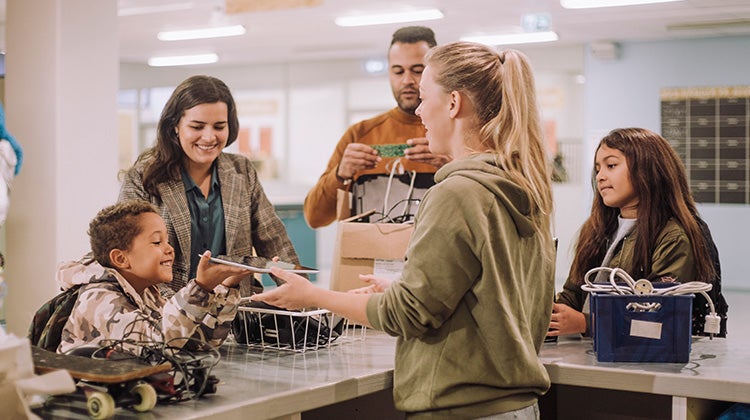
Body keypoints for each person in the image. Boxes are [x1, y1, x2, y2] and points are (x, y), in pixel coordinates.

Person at [253, 42, 556, 419]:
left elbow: (408, 314)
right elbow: (492, 296)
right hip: (515, 406)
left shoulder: (457, 193)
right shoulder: (524, 187)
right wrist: (403, 288)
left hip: (464, 409)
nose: (419, 109)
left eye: (425, 96)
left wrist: (313, 295)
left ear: (453, 103)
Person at [119, 75, 301, 296]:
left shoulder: (241, 171)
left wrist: (304, 296)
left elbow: (274, 241)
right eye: (197, 126)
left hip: (235, 315)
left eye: (219, 126)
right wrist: (181, 311)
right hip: (167, 315)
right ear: (175, 126)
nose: (209, 137)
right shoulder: (143, 177)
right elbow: (132, 259)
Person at [548, 127, 727, 338]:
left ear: (647, 170)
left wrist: (586, 323)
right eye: (597, 169)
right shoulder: (597, 230)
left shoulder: (673, 237)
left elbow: (657, 322)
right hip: (596, 357)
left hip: (647, 364)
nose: (600, 177)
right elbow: (574, 294)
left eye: (611, 165)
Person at [57, 200, 252, 355]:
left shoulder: (146, 292)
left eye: (167, 240)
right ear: (120, 258)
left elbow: (198, 342)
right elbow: (156, 345)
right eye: (157, 242)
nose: (169, 249)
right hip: (86, 396)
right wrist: (200, 288)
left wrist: (227, 287)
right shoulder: (97, 299)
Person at [303, 26, 451, 228]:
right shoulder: (360, 134)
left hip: (437, 255)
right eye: (398, 71)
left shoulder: (457, 130)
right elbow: (315, 217)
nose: (407, 80)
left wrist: (450, 166)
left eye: (417, 71)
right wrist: (341, 174)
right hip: (370, 256)